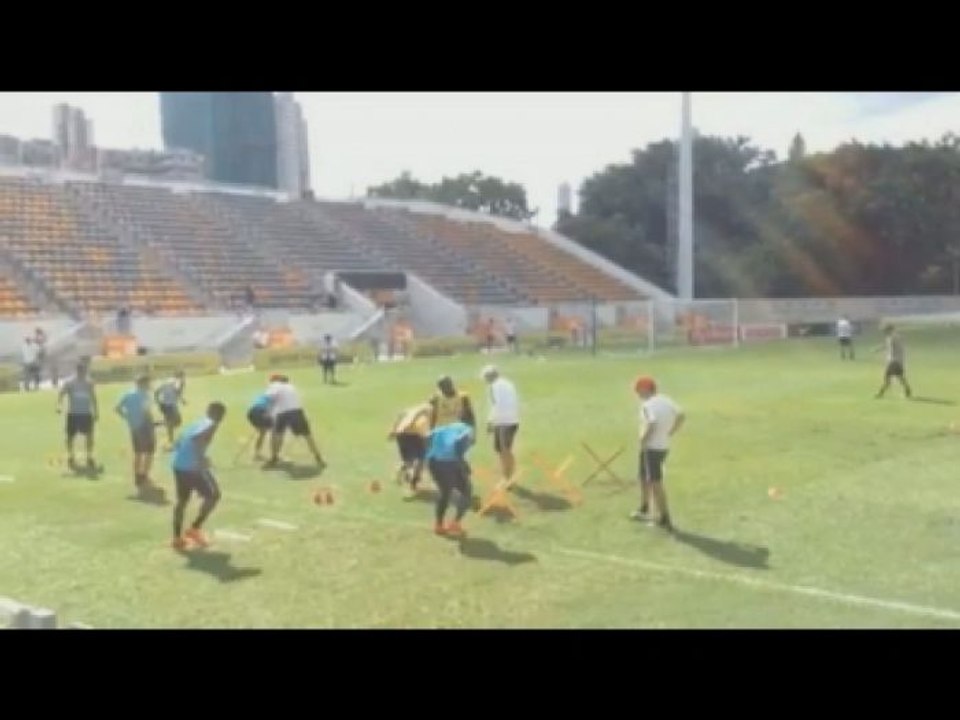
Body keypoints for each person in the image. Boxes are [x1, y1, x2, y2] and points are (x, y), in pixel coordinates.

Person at [170, 402, 227, 550]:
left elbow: (177, 442)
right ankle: (194, 529)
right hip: (192, 468)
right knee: (214, 495)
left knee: (182, 501)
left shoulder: (197, 423)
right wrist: (201, 459)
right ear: (221, 416)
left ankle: (177, 538)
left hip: (178, 465)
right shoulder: (212, 424)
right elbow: (197, 441)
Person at [631, 376, 685, 531]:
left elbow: (651, 422)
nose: (637, 394)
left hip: (651, 448)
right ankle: (644, 507)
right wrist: (670, 432)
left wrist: (643, 439)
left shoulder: (647, 405)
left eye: (639, 390)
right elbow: (681, 415)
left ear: (645, 389)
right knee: (644, 477)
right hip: (663, 446)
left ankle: (664, 517)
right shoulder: (665, 400)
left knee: (655, 482)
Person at [264, 376, 327, 469]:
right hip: (297, 411)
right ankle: (318, 457)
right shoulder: (291, 386)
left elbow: (270, 398)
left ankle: (274, 458)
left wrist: (268, 411)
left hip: (283, 413)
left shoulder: (275, 385)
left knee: (277, 435)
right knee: (307, 436)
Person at [425, 421, 475, 537]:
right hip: (445, 463)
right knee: (459, 491)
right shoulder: (466, 432)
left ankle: (445, 524)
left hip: (435, 461)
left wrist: (430, 452)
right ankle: (449, 523)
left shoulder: (447, 427)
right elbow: (458, 451)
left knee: (450, 492)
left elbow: (428, 436)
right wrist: (464, 467)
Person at [115, 374, 162, 499]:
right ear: (143, 383)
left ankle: (137, 476)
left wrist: (128, 418)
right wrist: (155, 424)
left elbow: (118, 408)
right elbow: (146, 413)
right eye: (148, 383)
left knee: (138, 452)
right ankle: (144, 475)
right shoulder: (145, 396)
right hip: (145, 427)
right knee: (149, 452)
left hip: (134, 427)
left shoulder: (128, 394)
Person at [480, 365, 520, 486]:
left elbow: (496, 405)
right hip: (511, 420)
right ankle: (507, 475)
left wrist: (490, 421)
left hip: (504, 422)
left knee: (504, 450)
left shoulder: (494, 386)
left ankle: (508, 478)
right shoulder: (508, 383)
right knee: (502, 449)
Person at [56, 362, 98, 470]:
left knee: (89, 435)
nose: (82, 373)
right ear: (77, 371)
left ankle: (89, 457)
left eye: (84, 371)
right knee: (70, 437)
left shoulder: (89, 382)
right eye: (81, 371)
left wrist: (96, 411)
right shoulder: (70, 382)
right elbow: (61, 393)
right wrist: (59, 406)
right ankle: (71, 456)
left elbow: (93, 396)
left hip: (86, 413)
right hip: (73, 413)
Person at [387, 402, 432, 494]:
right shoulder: (429, 409)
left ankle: (400, 474)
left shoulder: (411, 409)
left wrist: (393, 430)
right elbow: (422, 424)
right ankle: (413, 483)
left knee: (409, 461)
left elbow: (400, 416)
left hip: (402, 434)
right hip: (413, 434)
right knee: (421, 459)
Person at [875, 324, 912, 399]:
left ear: (889, 330)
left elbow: (891, 348)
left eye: (885, 330)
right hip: (899, 360)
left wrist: (890, 359)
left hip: (893, 361)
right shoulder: (895, 337)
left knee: (887, 377)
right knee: (900, 377)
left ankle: (880, 393)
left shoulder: (892, 337)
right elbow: (887, 346)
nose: (884, 332)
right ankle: (908, 391)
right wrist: (877, 349)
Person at [154, 370, 187, 451]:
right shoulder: (178, 382)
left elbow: (157, 391)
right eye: (183, 376)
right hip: (170, 405)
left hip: (164, 404)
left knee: (174, 422)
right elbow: (177, 390)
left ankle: (157, 424)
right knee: (174, 422)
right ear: (180, 376)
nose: (184, 378)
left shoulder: (167, 381)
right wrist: (182, 400)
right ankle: (170, 441)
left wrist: (158, 402)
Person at [246, 382, 278, 462]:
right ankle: (274, 455)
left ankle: (256, 454)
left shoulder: (262, 395)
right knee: (274, 432)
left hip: (251, 412)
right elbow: (271, 409)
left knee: (262, 433)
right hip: (261, 412)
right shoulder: (274, 396)